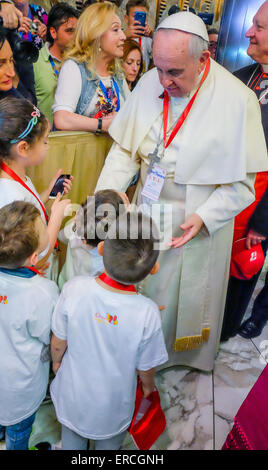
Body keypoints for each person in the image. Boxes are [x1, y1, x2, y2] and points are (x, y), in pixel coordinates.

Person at [95, 12, 268, 372]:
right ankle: (139, 354)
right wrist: (106, 197)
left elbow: (243, 184)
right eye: (158, 68)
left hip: (197, 216)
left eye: (174, 72)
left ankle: (178, 356)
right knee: (146, 287)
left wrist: (205, 217)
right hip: (147, 207)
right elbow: (125, 150)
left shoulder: (237, 100)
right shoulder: (148, 84)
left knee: (183, 298)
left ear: (203, 59)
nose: (163, 81)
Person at [50, 211, 168, 450]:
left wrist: (56, 362)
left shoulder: (74, 289)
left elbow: (58, 341)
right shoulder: (147, 312)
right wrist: (147, 386)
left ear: (102, 248)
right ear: (153, 268)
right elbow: (146, 366)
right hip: (113, 407)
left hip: (73, 396)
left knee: (72, 444)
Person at [0, 201, 59, 450]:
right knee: (19, 428)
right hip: (21, 385)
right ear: (32, 257)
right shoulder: (43, 293)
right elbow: (46, 336)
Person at [0, 97, 72, 278]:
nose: (47, 147)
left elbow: (26, 210)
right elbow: (35, 257)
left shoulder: (9, 175)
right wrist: (56, 217)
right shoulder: (8, 195)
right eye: (45, 141)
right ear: (23, 148)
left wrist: (46, 194)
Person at [221, 0, 268, 341]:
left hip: (262, 207)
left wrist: (263, 224)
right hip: (234, 197)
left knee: (247, 266)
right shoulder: (240, 77)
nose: (248, 32)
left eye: (260, 28)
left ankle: (254, 318)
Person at [53, 1, 129, 134]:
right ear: (96, 34)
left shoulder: (117, 74)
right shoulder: (74, 68)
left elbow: (132, 113)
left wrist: (121, 118)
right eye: (116, 30)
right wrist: (101, 124)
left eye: (122, 30)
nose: (123, 36)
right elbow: (61, 118)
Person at [58, 189, 126, 289]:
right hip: (85, 299)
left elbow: (60, 236)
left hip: (64, 284)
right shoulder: (107, 263)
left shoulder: (75, 229)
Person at [34, 2, 79, 124]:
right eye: (69, 31)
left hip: (75, 137)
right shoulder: (35, 63)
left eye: (77, 31)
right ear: (53, 32)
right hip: (46, 139)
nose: (75, 37)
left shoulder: (82, 64)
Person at [124, 0, 153, 72]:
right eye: (135, 16)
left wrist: (152, 35)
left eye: (142, 16)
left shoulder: (147, 40)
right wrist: (124, 36)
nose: (139, 21)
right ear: (126, 18)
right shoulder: (120, 37)